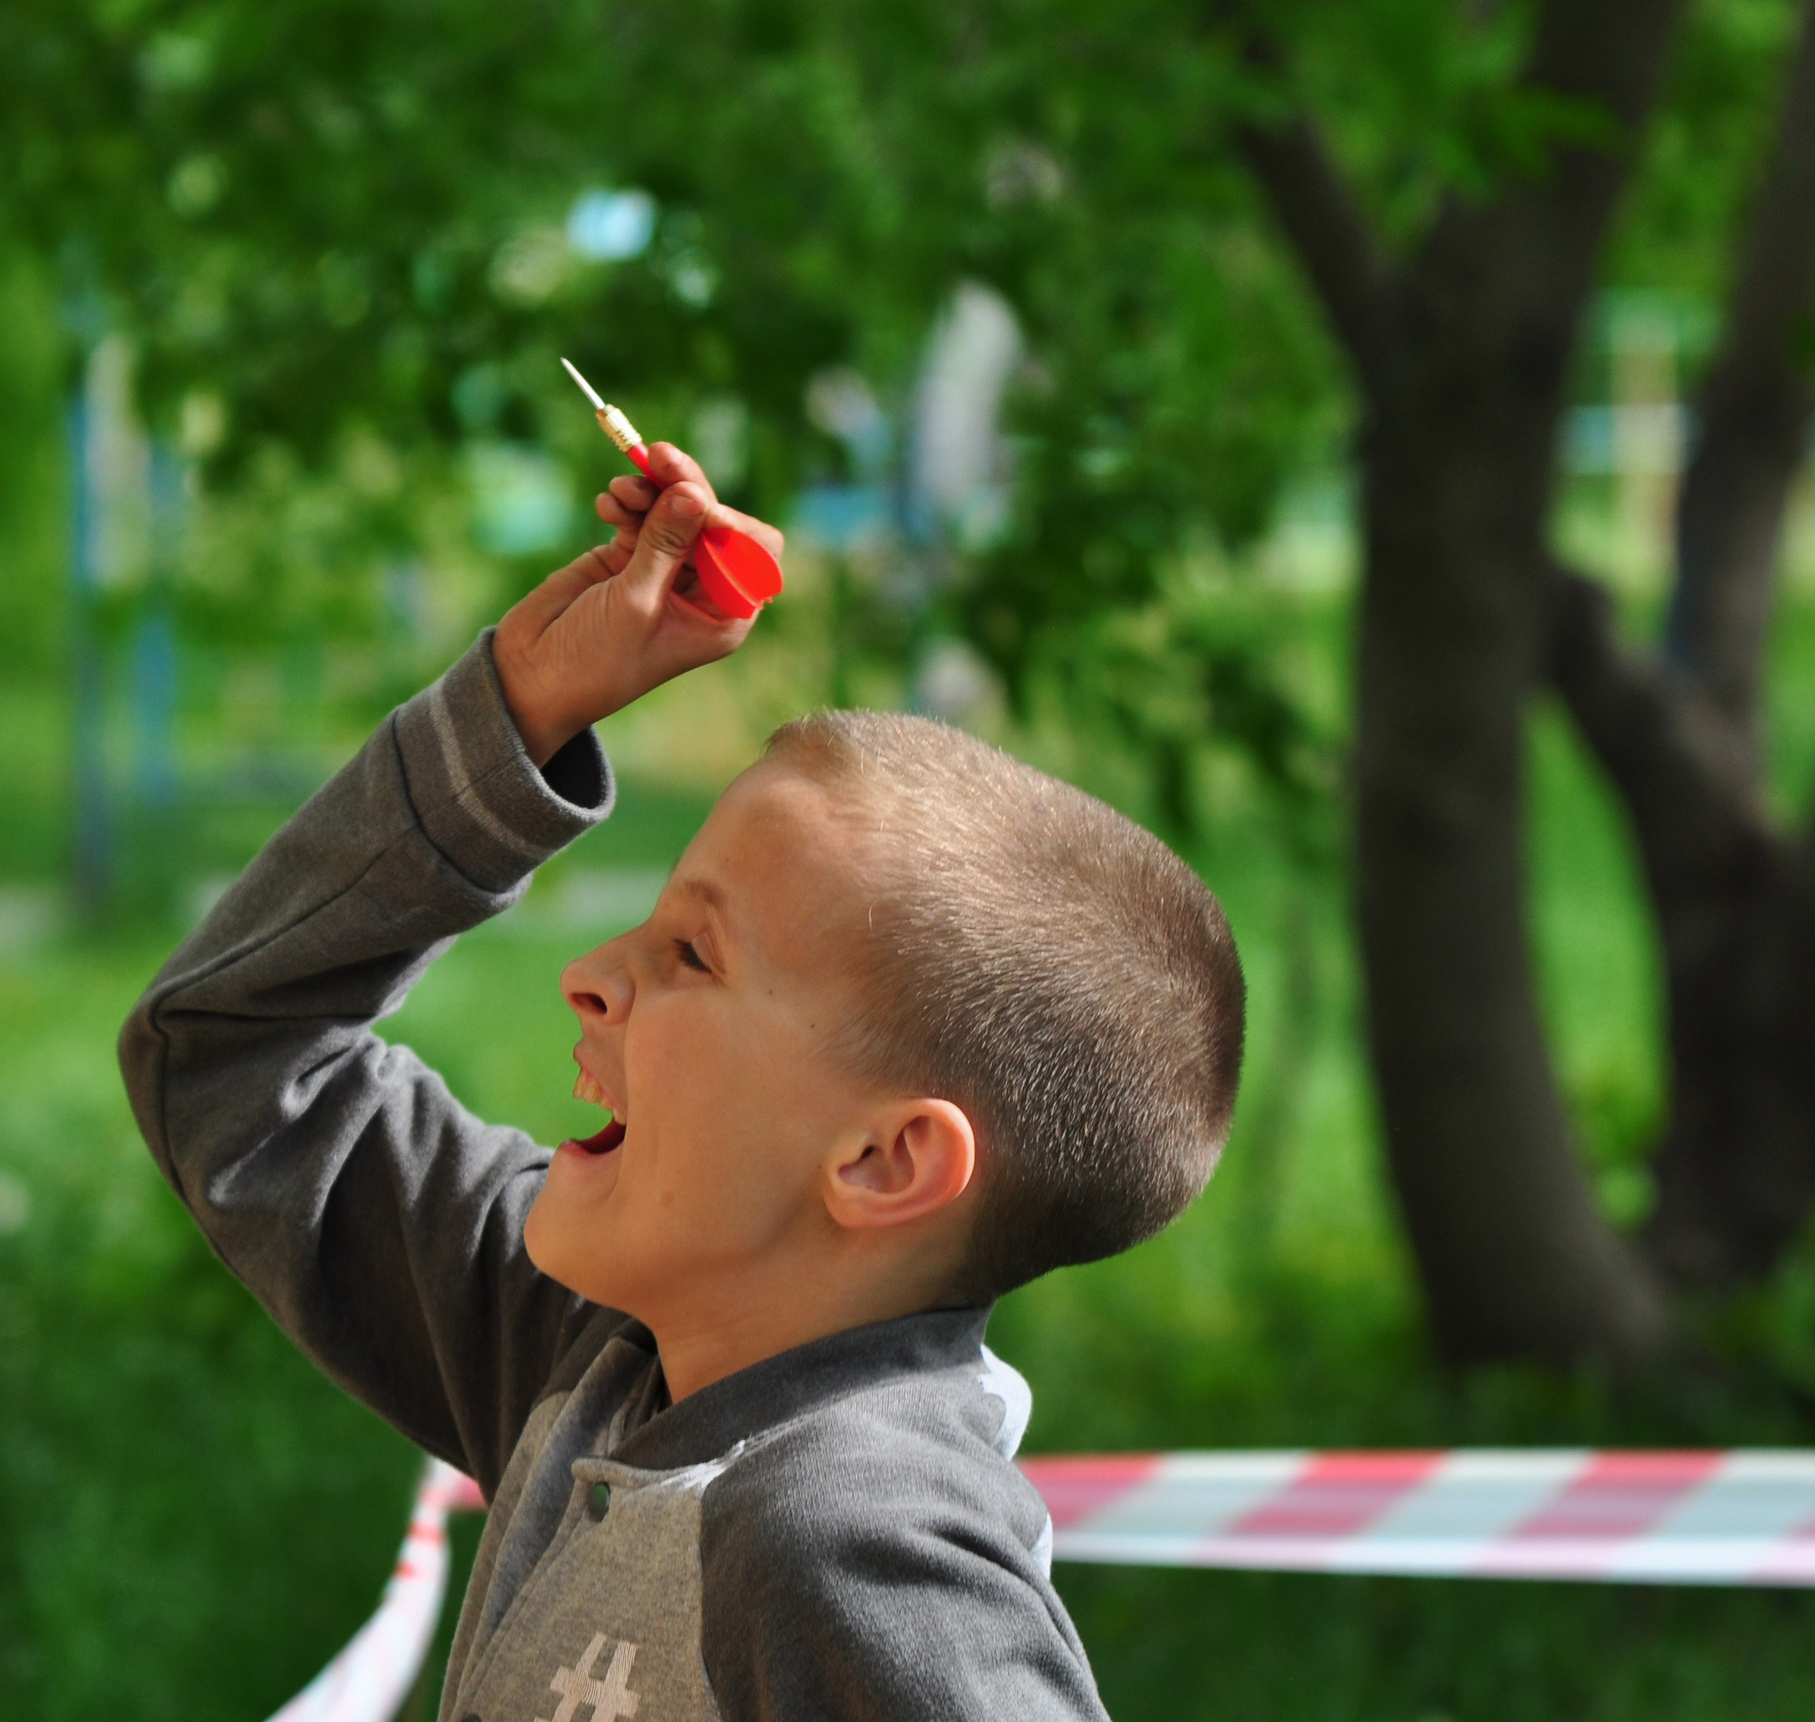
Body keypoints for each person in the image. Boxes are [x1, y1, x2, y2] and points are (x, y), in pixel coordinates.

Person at [121, 445, 1245, 1720]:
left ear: (883, 1163)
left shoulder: (849, 1540)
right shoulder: (587, 1357)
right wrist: (520, 708)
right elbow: (226, 1050)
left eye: (691, 954)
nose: (593, 975)